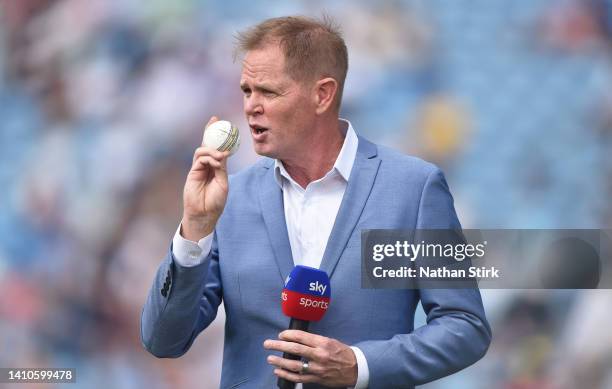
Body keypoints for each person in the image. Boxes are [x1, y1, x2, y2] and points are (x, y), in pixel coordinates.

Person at [141, 15, 491, 389]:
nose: (250, 107)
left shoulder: (413, 188)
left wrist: (359, 366)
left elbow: (464, 327)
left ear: (323, 94)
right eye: (246, 91)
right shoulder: (230, 199)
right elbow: (163, 339)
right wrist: (195, 227)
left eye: (269, 92)